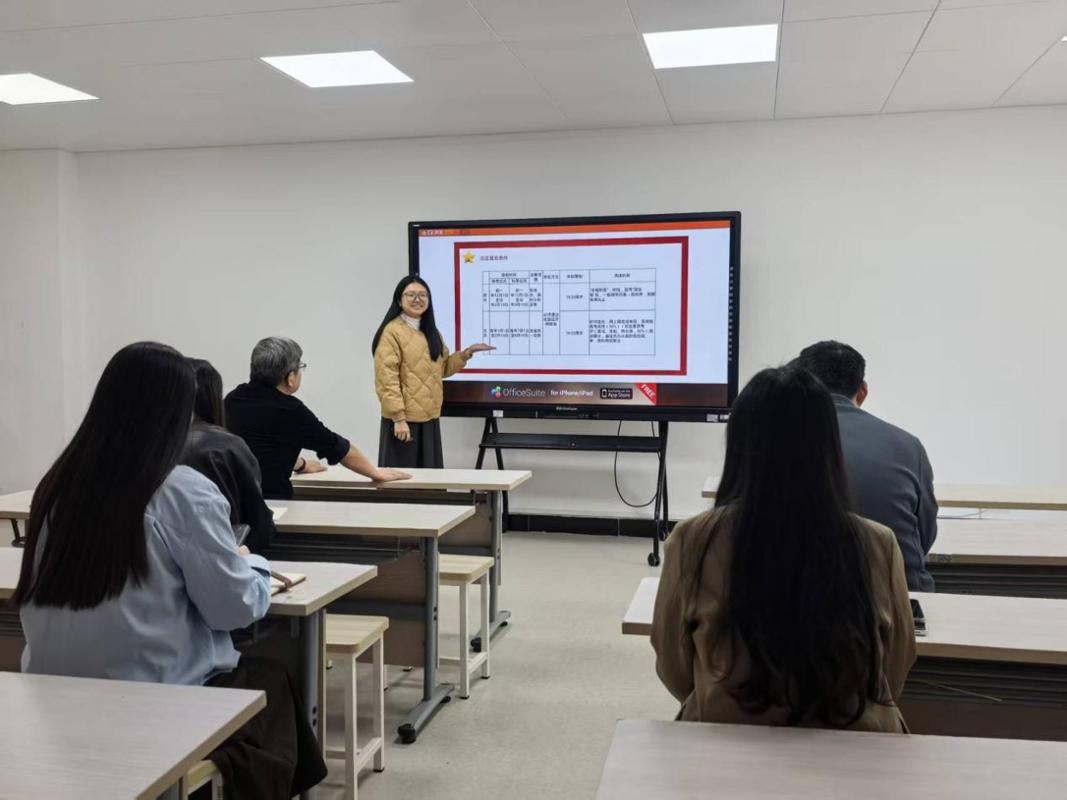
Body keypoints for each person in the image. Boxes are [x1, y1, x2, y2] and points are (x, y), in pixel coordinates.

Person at [15, 341, 327, 798]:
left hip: (50, 693)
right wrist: (253, 566)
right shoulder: (181, 490)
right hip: (151, 698)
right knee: (273, 678)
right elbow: (233, 609)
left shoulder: (57, 485)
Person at [652, 366, 915, 732]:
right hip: (856, 737)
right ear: (828, 445)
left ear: (740, 445)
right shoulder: (877, 542)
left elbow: (673, 664)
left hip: (728, 732)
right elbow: (897, 663)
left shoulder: (694, 539)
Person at [794, 341, 938, 591]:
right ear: (862, 392)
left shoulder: (775, 443)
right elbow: (923, 536)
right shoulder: (908, 445)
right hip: (899, 598)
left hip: (799, 598)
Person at [226, 336, 409, 499]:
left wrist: (300, 465)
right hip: (271, 505)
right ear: (290, 377)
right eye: (300, 367)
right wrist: (376, 473)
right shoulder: (290, 410)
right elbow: (337, 447)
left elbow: (259, 448)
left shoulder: (233, 399)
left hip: (230, 502)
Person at [372, 275, 494, 468]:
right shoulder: (392, 332)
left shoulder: (431, 331)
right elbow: (387, 380)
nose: (417, 299)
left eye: (423, 295)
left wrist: (466, 354)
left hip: (429, 419)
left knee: (431, 480)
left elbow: (442, 369)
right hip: (404, 422)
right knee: (404, 480)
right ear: (399, 300)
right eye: (411, 295)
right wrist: (399, 418)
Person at [182, 358, 277, 555]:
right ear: (213, 397)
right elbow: (259, 523)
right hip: (226, 551)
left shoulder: (153, 448)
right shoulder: (227, 446)